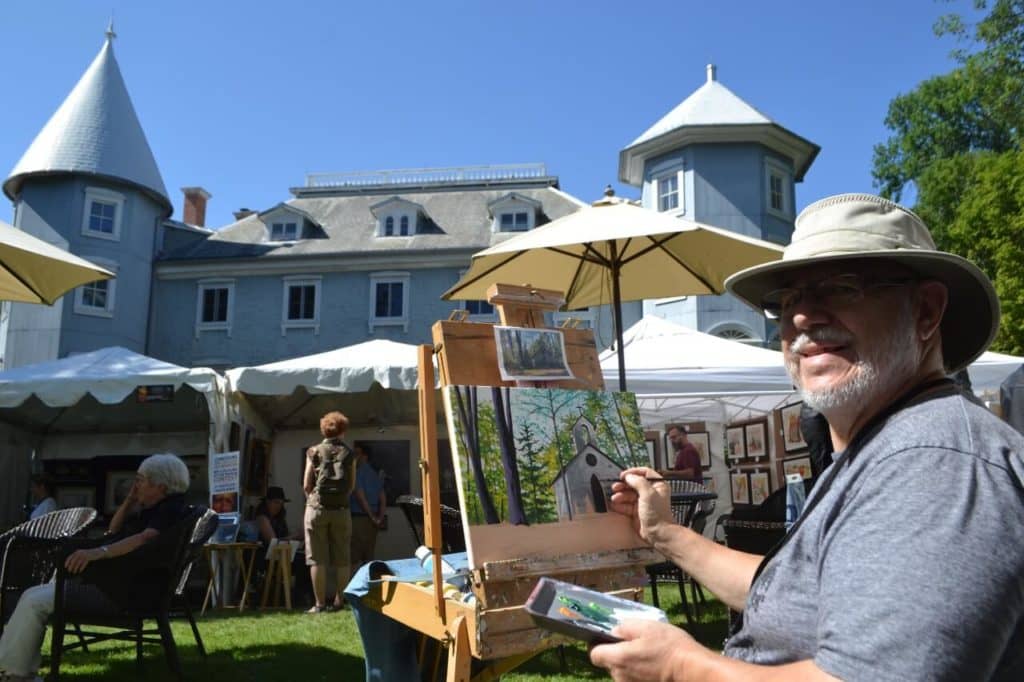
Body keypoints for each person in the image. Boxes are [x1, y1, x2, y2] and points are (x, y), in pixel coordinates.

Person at [592, 194, 1024, 681]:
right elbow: (791, 593)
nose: (801, 318)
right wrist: (665, 534)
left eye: (840, 288)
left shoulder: (933, 461)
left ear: (925, 311)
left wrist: (683, 667)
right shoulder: (884, 443)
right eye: (788, 300)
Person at [0, 454, 192, 682]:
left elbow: (144, 539)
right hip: (120, 587)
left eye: (140, 480)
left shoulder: (168, 511)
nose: (135, 486)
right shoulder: (160, 508)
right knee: (33, 595)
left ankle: (15, 673)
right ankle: (17, 670)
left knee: (34, 600)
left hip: (122, 595)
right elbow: (112, 531)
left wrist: (97, 553)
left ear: (160, 486)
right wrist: (130, 500)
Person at [303, 410, 357, 613]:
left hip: (317, 508)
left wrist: (313, 500)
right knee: (342, 558)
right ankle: (339, 601)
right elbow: (351, 485)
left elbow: (306, 483)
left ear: (323, 429)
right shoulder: (349, 454)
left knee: (317, 558)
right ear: (343, 430)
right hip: (341, 509)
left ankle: (319, 604)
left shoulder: (314, 451)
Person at [253, 486, 311, 607]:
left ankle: (303, 596)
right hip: (265, 556)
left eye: (281, 503)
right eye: (275, 502)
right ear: (267, 502)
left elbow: (284, 539)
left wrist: (297, 538)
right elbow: (273, 541)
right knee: (301, 562)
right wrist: (294, 537)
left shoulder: (280, 518)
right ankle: (298, 598)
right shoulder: (262, 517)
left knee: (306, 560)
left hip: (280, 554)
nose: (278, 506)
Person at [349, 444, 387, 576]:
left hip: (359, 519)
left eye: (357, 454)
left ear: (365, 456)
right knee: (368, 559)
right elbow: (382, 497)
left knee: (353, 559)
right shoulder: (375, 473)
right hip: (372, 522)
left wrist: (372, 517)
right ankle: (365, 593)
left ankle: (348, 593)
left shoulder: (358, 473)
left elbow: (360, 497)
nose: (354, 457)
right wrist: (379, 518)